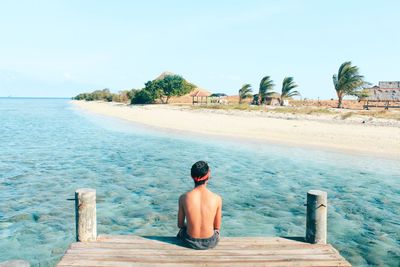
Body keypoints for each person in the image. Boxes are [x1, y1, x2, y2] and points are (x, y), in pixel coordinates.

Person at [177, 161, 222, 250]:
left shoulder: (183, 198)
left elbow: (180, 225)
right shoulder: (217, 198)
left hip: (189, 241)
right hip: (210, 242)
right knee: (216, 232)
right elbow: (217, 227)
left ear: (191, 176)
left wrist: (191, 225)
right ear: (208, 176)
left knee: (181, 231)